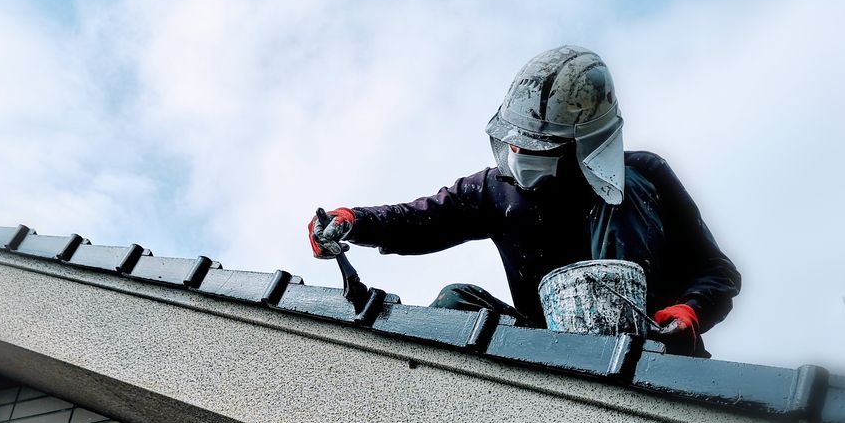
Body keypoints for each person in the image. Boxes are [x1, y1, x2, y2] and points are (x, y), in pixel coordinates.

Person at [308, 45, 740, 356]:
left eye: (536, 149)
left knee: (623, 192)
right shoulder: (495, 190)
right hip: (549, 350)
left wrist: (690, 311)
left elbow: (718, 272)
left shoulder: (642, 176)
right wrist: (353, 221)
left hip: (650, 349)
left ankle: (626, 346)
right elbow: (420, 219)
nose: (517, 157)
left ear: (582, 146)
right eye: (514, 144)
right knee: (456, 302)